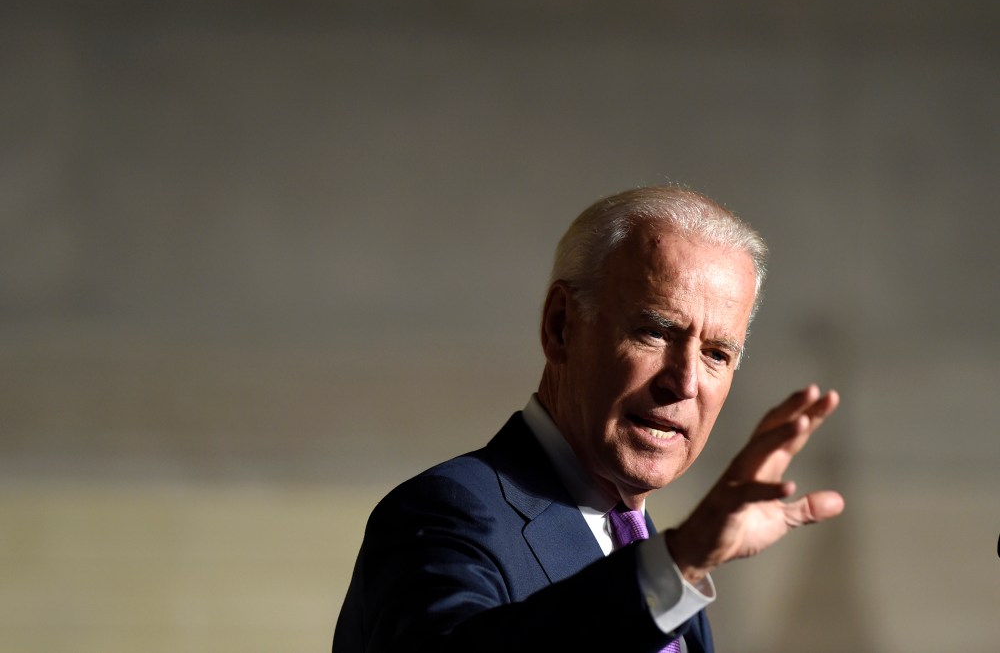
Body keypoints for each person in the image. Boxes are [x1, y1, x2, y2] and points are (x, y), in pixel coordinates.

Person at [333, 185, 844, 653]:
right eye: (656, 331)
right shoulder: (444, 513)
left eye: (716, 354)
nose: (684, 382)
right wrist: (678, 563)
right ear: (560, 326)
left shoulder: (661, 558)